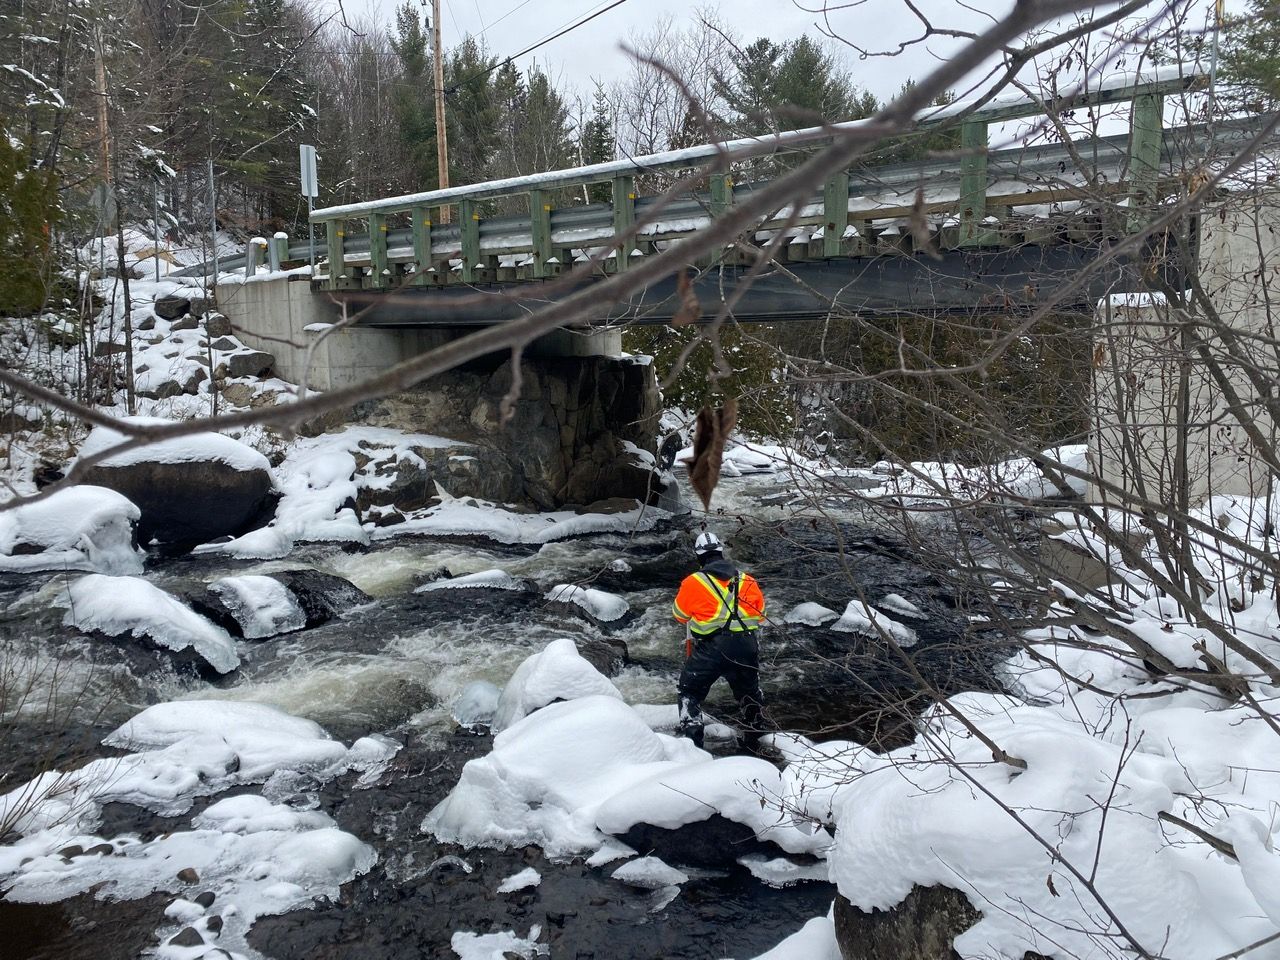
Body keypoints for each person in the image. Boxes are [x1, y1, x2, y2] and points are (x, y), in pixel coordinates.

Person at [671, 531, 766, 749]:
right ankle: (754, 740)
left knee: (689, 692)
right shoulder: (747, 579)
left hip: (712, 648)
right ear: (720, 553)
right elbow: (760, 615)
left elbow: (680, 615)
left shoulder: (693, 582)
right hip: (747, 646)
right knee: (750, 694)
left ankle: (693, 744)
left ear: (699, 557)